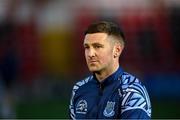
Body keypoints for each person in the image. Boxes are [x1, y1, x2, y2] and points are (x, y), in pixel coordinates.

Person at [69, 21, 151, 119]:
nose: (90, 54)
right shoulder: (79, 89)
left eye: (97, 46)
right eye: (87, 47)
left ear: (116, 50)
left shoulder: (131, 91)